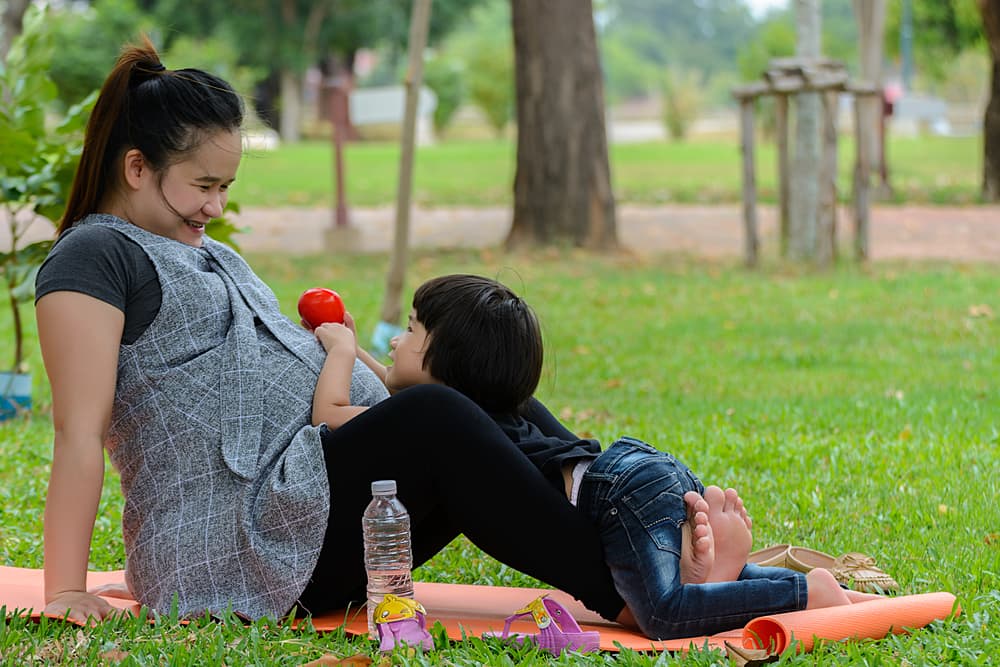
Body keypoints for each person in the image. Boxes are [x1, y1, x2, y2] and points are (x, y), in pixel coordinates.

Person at [34, 39, 632, 629]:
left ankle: (645, 523)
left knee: (488, 385)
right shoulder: (94, 257)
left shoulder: (201, 250)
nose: (216, 206)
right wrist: (63, 588)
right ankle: (628, 590)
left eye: (226, 188)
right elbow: (77, 431)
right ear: (136, 167)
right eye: (204, 185)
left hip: (310, 509)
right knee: (437, 414)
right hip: (241, 541)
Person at [311, 274, 881, 640]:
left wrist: (339, 351)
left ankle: (804, 592)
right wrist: (352, 340)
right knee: (643, 586)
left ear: (442, 358)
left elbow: (331, 415)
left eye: (409, 331)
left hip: (618, 494)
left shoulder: (444, 412)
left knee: (659, 614)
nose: (393, 343)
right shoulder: (490, 408)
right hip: (622, 477)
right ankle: (747, 581)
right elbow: (398, 390)